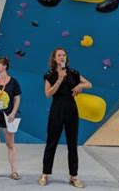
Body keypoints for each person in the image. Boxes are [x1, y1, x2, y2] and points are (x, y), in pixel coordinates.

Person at [38, 48, 93, 188]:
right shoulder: (49, 75)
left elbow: (89, 84)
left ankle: (73, 176)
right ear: (54, 58)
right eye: (59, 55)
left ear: (66, 58)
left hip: (71, 110)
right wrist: (59, 80)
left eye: (64, 55)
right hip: (57, 109)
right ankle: (45, 173)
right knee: (52, 142)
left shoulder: (73, 73)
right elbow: (47, 94)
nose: (61, 57)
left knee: (72, 144)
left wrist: (80, 85)